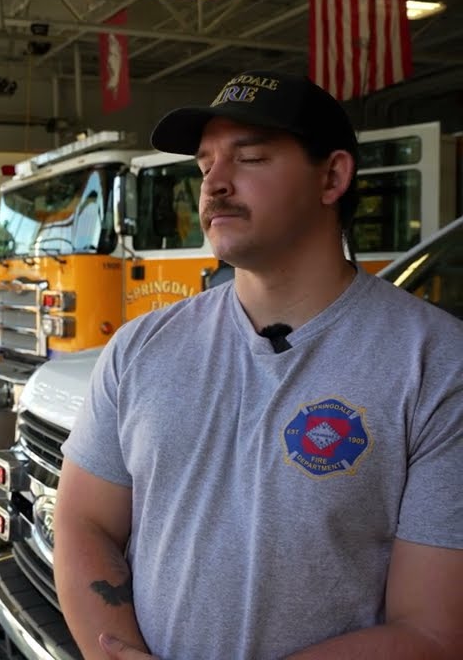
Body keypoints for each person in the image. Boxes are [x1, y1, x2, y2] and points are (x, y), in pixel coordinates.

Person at [53, 70, 463, 659]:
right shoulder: (140, 347)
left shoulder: (436, 365)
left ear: (333, 176)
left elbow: (433, 631)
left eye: (249, 159)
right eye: (204, 165)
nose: (215, 184)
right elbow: (84, 522)